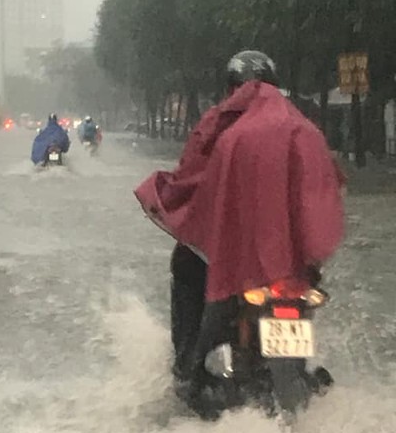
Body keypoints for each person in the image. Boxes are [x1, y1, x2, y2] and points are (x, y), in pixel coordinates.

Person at [135, 50, 345, 382]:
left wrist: (160, 194)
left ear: (231, 87)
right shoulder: (304, 129)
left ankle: (188, 366)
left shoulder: (219, 125)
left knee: (185, 266)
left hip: (232, 261)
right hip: (289, 261)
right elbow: (327, 187)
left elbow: (190, 179)